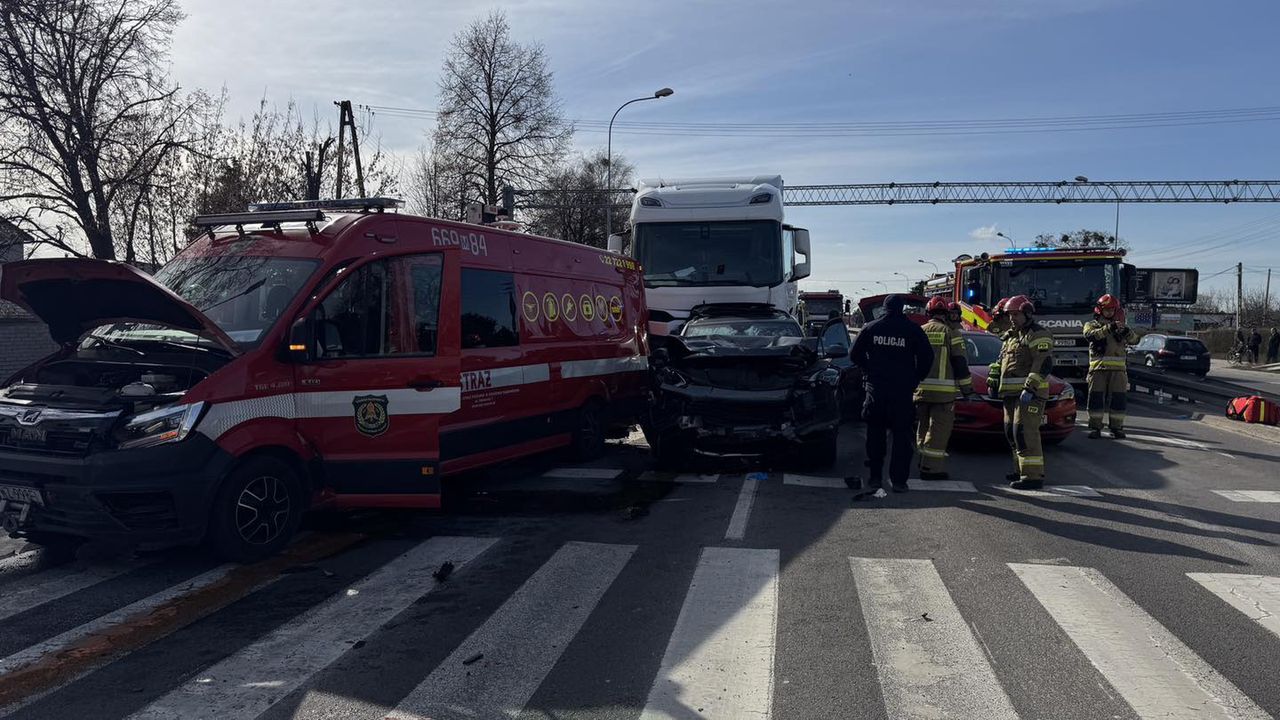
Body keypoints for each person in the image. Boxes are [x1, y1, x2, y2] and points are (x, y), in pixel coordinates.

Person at [848, 295, 933, 493]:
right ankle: (899, 481)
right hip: (902, 392)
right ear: (902, 308)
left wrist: (869, 369)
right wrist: (915, 378)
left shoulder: (871, 327)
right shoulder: (912, 330)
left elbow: (854, 354)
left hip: (876, 390)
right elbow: (927, 357)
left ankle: (875, 478)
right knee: (902, 437)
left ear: (884, 308)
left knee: (875, 435)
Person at [993, 295, 1054, 490]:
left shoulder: (1038, 334)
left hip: (1030, 395)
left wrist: (1030, 387)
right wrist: (993, 379)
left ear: (1027, 313)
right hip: (1010, 395)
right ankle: (1019, 470)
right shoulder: (1010, 337)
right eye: (1010, 314)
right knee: (1012, 434)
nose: (1012, 318)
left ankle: (1032, 476)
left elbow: (1043, 362)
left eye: (1016, 314)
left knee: (1025, 432)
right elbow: (1000, 362)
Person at [914, 298, 974, 480]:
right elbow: (960, 363)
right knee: (938, 431)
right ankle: (931, 469)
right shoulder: (952, 333)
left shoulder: (919, 332)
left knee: (922, 428)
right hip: (943, 395)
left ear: (927, 313)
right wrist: (967, 390)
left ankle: (922, 460)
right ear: (946, 315)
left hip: (920, 391)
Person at [1082, 294, 1139, 439]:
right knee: (1095, 400)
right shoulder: (1092, 325)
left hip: (1118, 371)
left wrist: (1127, 332)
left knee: (1119, 400)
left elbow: (1134, 340)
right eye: (1106, 309)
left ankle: (1117, 427)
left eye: (1112, 309)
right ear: (1100, 310)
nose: (1109, 312)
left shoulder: (1120, 325)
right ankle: (1095, 427)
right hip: (1098, 370)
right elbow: (1090, 335)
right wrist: (1109, 328)